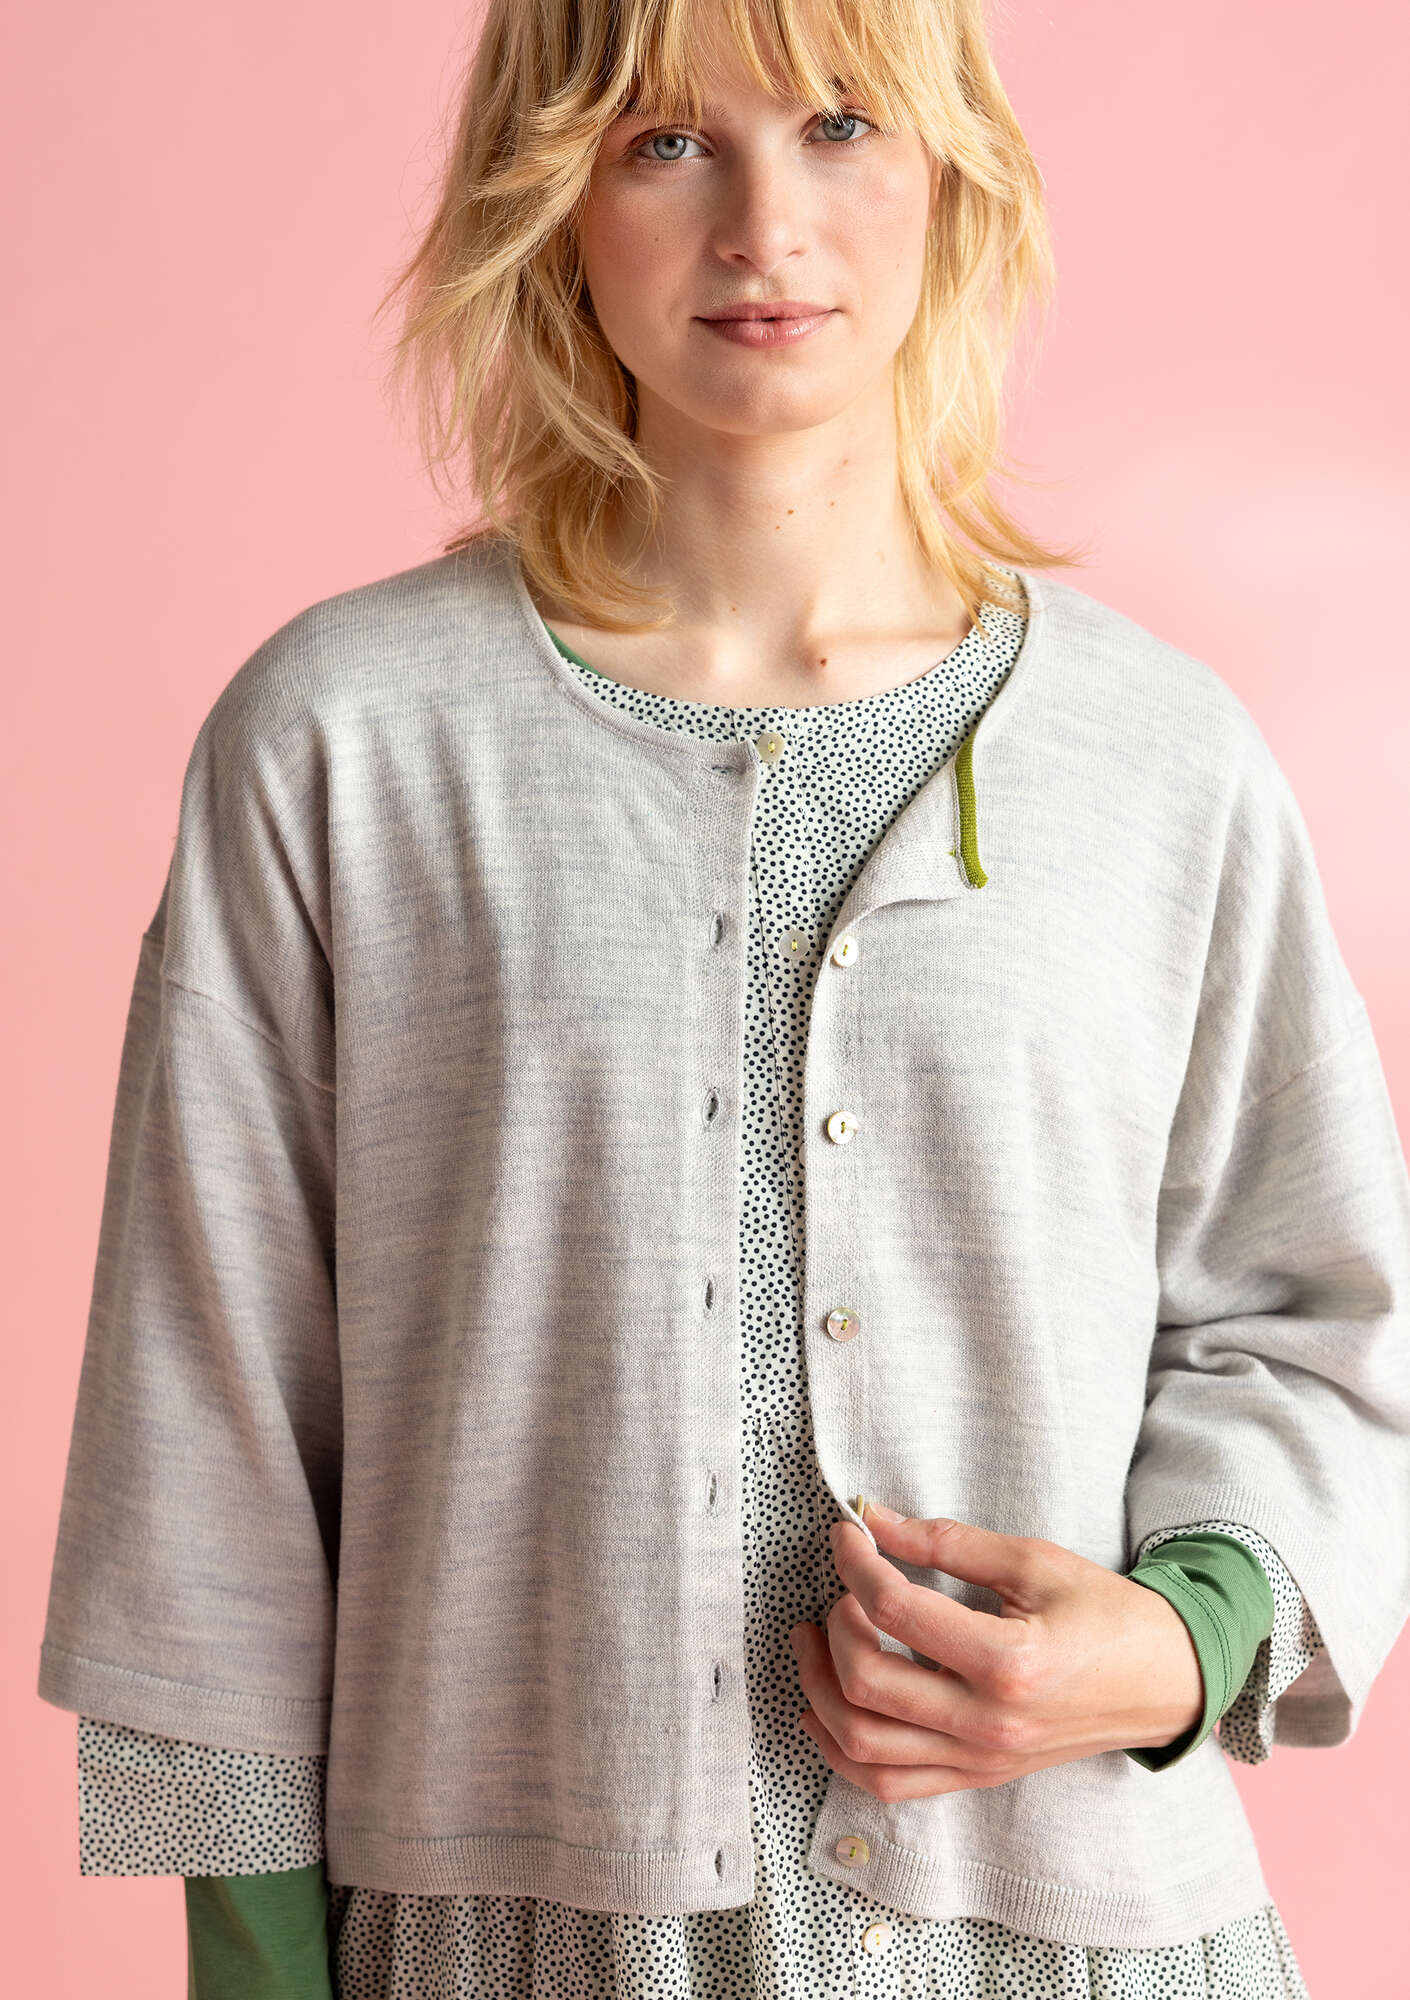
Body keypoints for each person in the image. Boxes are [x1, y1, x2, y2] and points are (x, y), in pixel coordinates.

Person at [38, 0, 1410, 1995]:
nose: (765, 225)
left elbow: (1319, 1319)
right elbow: (207, 1435)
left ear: (953, 175)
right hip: (511, 1939)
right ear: (551, 198)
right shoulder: (344, 743)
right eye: (665, 141)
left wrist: (1180, 1637)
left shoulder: (1161, 762)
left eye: (842, 123)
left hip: (1080, 1936)